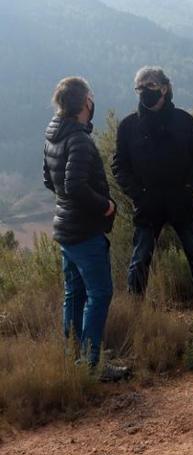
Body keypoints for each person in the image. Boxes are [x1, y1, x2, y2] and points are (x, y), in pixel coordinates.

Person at [43, 77, 129, 381]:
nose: (93, 102)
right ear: (84, 103)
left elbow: (48, 180)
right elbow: (74, 185)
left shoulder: (53, 134)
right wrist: (105, 205)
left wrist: (68, 205)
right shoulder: (78, 139)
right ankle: (92, 364)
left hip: (66, 230)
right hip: (84, 231)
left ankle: (74, 358)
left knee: (74, 294)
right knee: (100, 293)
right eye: (91, 97)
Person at [111, 67, 193, 299]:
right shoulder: (128, 126)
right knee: (139, 259)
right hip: (148, 204)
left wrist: (188, 186)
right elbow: (119, 165)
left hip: (181, 201)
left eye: (151, 86)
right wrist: (137, 193)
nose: (145, 91)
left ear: (164, 88)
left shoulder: (183, 120)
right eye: (140, 87)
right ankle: (135, 311)